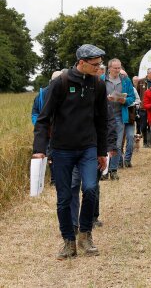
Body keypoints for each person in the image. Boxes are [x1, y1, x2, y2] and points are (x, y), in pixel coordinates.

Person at [33, 44, 108, 260]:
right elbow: (43, 119)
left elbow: (101, 121)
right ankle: (68, 241)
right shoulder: (60, 83)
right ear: (81, 63)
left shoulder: (99, 85)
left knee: (91, 189)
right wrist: (39, 150)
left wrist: (102, 151)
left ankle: (85, 234)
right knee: (64, 197)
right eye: (95, 64)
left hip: (88, 147)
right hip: (62, 149)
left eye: (100, 64)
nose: (98, 68)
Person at [102, 58, 136, 180]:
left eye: (119, 67)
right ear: (109, 68)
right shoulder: (102, 80)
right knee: (103, 143)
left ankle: (113, 170)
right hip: (103, 115)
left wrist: (124, 100)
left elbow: (132, 97)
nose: (117, 70)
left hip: (119, 116)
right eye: (115, 68)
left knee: (116, 144)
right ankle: (103, 171)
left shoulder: (126, 81)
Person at [31, 70, 63, 185]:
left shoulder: (67, 93)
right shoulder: (41, 94)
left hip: (61, 131)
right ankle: (54, 179)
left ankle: (58, 178)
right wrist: (40, 126)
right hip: (46, 131)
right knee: (50, 154)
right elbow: (35, 113)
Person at [136, 68, 151, 147]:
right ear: (148, 74)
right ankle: (144, 141)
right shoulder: (141, 81)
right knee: (143, 125)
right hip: (143, 107)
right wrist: (139, 103)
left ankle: (148, 142)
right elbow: (137, 93)